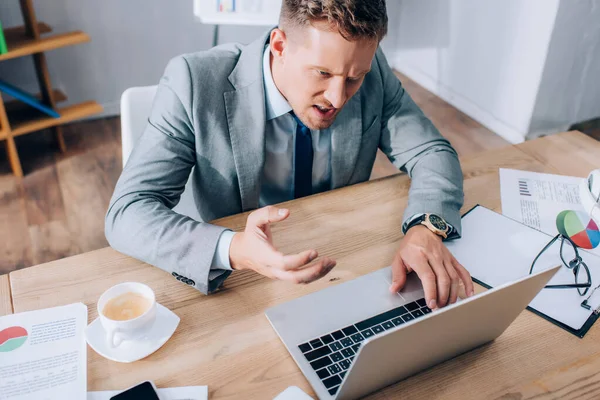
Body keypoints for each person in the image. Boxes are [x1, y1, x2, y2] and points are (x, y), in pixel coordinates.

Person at [105, 0, 474, 309]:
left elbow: (431, 151)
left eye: (352, 78)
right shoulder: (193, 82)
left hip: (345, 261)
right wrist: (234, 248)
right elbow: (128, 212)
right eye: (322, 72)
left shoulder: (372, 70)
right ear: (279, 46)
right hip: (241, 285)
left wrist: (427, 229)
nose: (337, 97)